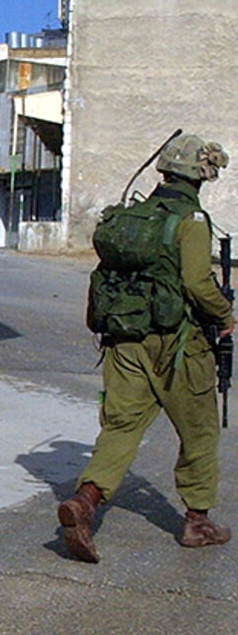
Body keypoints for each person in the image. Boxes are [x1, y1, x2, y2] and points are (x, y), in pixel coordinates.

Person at [60, 134, 235, 563]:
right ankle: (197, 522)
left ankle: (84, 502)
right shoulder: (191, 219)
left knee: (121, 428)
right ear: (201, 174)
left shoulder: (132, 216)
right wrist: (226, 315)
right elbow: (197, 283)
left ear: (164, 171)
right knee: (199, 431)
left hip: (124, 341)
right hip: (176, 347)